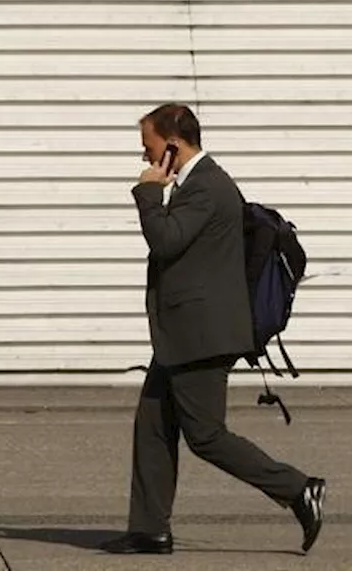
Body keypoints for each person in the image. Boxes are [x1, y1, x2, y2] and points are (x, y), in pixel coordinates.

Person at [101, 104, 326, 556]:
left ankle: (299, 488)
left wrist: (148, 194)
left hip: (201, 337)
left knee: (206, 436)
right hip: (185, 333)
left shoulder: (206, 186)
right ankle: (149, 529)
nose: (144, 157)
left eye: (147, 147)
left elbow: (165, 241)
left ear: (171, 145)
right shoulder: (200, 185)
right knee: (153, 426)